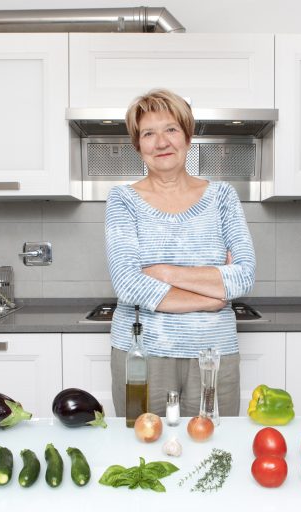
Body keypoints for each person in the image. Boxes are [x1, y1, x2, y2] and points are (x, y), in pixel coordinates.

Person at [105, 89, 256, 417]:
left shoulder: (222, 197)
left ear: (187, 137)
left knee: (214, 451)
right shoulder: (122, 200)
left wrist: (162, 272)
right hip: (142, 352)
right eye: (148, 133)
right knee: (141, 451)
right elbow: (128, 284)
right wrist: (212, 296)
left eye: (171, 129)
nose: (161, 142)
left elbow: (243, 275)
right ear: (138, 145)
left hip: (214, 354)